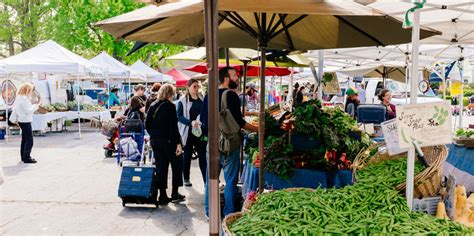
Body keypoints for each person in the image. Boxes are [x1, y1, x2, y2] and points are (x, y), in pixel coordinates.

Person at [201, 67, 258, 218]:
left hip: (212, 143)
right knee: (231, 181)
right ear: (226, 79)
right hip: (229, 145)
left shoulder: (209, 95)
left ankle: (209, 212)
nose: (237, 78)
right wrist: (258, 129)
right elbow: (239, 123)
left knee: (211, 180)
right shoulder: (231, 96)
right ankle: (229, 214)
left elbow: (202, 120)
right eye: (234, 76)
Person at [145, 84, 185, 204]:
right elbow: (173, 127)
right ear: (169, 94)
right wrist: (178, 143)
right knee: (177, 165)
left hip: (155, 141)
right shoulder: (170, 106)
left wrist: (154, 134)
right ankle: (174, 193)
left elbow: (147, 124)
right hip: (169, 141)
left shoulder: (152, 105)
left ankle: (162, 195)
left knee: (161, 167)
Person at [177, 79, 206, 187]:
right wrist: (190, 123)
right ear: (188, 87)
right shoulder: (182, 100)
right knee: (187, 155)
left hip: (200, 132)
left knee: (202, 156)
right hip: (188, 132)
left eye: (197, 86)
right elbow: (179, 117)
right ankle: (186, 178)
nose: (196, 88)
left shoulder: (201, 98)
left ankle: (205, 180)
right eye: (194, 86)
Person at [12, 83, 40, 164]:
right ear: (27, 90)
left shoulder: (19, 98)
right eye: (31, 90)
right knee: (29, 140)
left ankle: (23, 157)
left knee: (24, 140)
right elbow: (28, 110)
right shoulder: (24, 99)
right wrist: (36, 105)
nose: (31, 91)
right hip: (25, 121)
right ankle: (27, 157)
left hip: (22, 120)